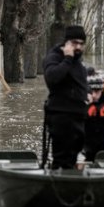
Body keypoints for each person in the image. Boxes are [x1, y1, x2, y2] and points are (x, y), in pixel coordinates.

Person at [43, 25, 89, 169]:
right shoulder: (55, 57)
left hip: (78, 116)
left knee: (73, 154)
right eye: (75, 43)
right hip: (61, 115)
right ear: (67, 43)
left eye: (81, 44)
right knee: (62, 157)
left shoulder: (78, 63)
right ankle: (59, 182)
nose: (78, 47)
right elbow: (52, 78)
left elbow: (80, 83)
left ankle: (71, 181)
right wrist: (67, 59)